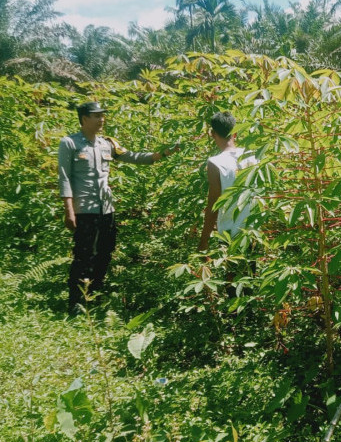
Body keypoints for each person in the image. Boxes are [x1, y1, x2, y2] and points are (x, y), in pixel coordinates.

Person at [58, 101, 177, 312]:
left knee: (105, 252)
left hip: (106, 209)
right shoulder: (70, 143)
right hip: (84, 209)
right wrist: (69, 210)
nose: (102, 119)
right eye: (97, 116)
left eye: (103, 115)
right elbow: (65, 178)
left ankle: (94, 294)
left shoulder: (107, 144)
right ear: (85, 119)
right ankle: (76, 302)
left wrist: (165, 153)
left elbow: (134, 157)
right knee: (84, 255)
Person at [198, 111, 258, 251]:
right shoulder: (252, 156)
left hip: (229, 232)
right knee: (250, 272)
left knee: (233, 272)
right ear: (235, 133)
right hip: (253, 229)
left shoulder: (215, 163)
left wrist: (204, 240)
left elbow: (214, 203)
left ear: (212, 134)